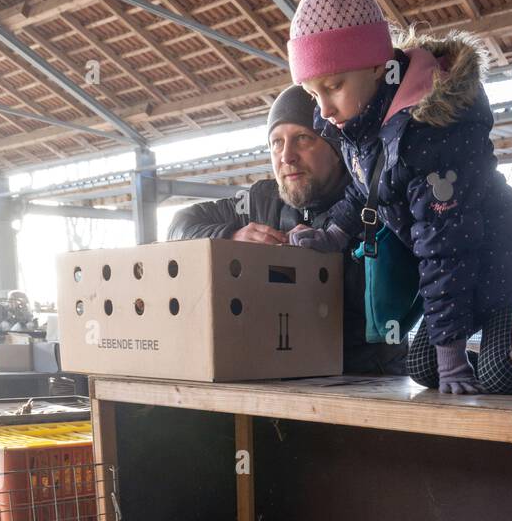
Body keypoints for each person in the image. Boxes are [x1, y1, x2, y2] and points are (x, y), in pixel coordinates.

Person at [284, 0, 512, 395]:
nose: (324, 109)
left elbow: (444, 248)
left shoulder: (432, 136)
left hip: (509, 263)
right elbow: (365, 187)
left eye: (332, 86)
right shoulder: (364, 126)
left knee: (505, 368)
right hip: (462, 275)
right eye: (313, 93)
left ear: (375, 65)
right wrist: (334, 231)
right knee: (423, 366)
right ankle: (491, 360)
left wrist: (455, 359)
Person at [167, 85, 406, 376]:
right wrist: (230, 236)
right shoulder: (258, 202)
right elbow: (179, 225)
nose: (287, 156)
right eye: (276, 143)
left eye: (303, 138)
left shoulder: (375, 199)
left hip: (370, 380)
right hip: (276, 378)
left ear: (336, 148)